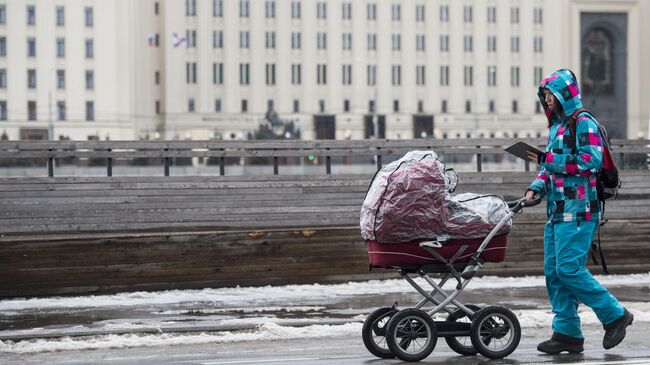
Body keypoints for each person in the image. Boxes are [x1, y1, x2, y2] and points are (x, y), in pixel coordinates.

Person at [524, 69, 633, 354]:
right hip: (557, 210)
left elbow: (589, 162)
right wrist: (535, 187)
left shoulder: (583, 122)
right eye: (544, 95)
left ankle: (615, 315)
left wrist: (549, 159)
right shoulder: (557, 126)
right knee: (554, 272)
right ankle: (567, 333)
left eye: (550, 95)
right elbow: (548, 167)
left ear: (564, 95)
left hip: (580, 210)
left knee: (569, 269)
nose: (546, 100)